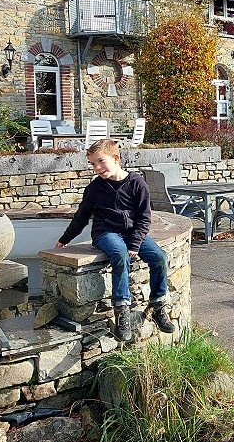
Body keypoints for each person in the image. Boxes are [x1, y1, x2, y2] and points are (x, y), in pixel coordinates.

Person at [55, 139, 175, 340]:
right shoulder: (95, 188)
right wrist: (65, 239)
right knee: (119, 254)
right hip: (106, 233)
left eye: (101, 161)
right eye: (93, 164)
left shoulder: (137, 183)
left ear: (116, 158)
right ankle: (122, 311)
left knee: (159, 257)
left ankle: (157, 304)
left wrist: (136, 243)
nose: (97, 168)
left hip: (132, 233)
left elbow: (144, 218)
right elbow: (81, 217)